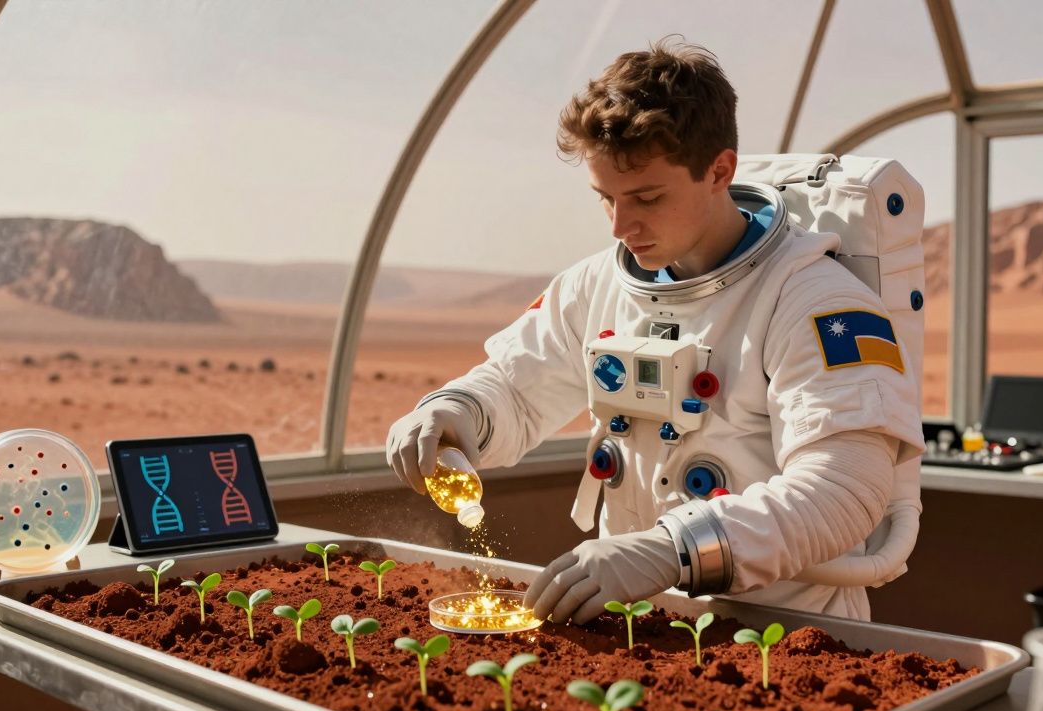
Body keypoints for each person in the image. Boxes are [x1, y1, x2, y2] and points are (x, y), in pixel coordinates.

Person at [386, 38, 923, 624]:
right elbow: (515, 389)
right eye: (606, 199)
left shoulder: (813, 300)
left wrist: (674, 549)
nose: (621, 226)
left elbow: (843, 489)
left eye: (646, 197)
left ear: (719, 171)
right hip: (638, 622)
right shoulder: (594, 286)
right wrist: (456, 411)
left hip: (786, 634)